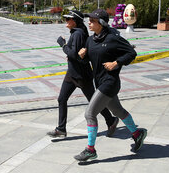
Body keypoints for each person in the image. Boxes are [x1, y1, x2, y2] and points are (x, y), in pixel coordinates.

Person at [75, 9, 146, 162]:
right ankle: (137, 134)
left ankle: (90, 150)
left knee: (90, 113)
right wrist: (82, 55)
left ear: (101, 23)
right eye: (90, 20)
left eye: (93, 21)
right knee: (118, 111)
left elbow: (131, 53)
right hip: (100, 81)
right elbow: (89, 59)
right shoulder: (90, 40)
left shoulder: (113, 38)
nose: (89, 23)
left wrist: (116, 63)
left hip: (110, 83)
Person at [47, 10, 118, 138]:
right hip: (72, 74)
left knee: (94, 102)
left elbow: (74, 54)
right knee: (62, 99)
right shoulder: (77, 32)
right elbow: (76, 54)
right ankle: (61, 128)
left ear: (75, 21)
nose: (66, 21)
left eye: (68, 19)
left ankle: (111, 120)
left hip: (82, 75)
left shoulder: (78, 34)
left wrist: (63, 44)